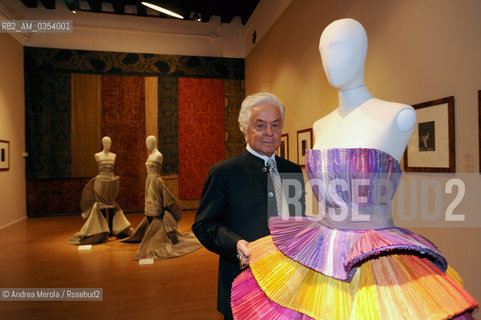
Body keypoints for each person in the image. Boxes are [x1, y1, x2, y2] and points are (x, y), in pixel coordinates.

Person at [230, 18, 478, 319]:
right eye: (324, 51)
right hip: (322, 247)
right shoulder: (322, 125)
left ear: (362, 50)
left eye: (338, 47)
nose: (329, 60)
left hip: (374, 253)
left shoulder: (397, 116)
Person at [192, 92, 305, 320]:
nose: (269, 133)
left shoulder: (293, 171)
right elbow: (204, 225)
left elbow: (297, 220)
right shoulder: (223, 173)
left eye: (275, 125)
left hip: (289, 282)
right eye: (260, 125)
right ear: (245, 127)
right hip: (243, 281)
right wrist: (236, 244)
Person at [122, 135, 202, 260]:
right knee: (150, 207)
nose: (148, 145)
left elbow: (155, 172)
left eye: (150, 142)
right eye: (147, 142)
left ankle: (157, 235)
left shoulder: (158, 155)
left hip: (155, 182)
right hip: (149, 181)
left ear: (154, 143)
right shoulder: (150, 156)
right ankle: (150, 232)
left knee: (156, 208)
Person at [68, 136, 133, 245]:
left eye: (110, 143)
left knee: (111, 206)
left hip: (111, 182)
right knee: (101, 206)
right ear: (103, 143)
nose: (108, 144)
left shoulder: (113, 155)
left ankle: (112, 230)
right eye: (106, 142)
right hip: (101, 182)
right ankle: (102, 230)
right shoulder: (98, 155)